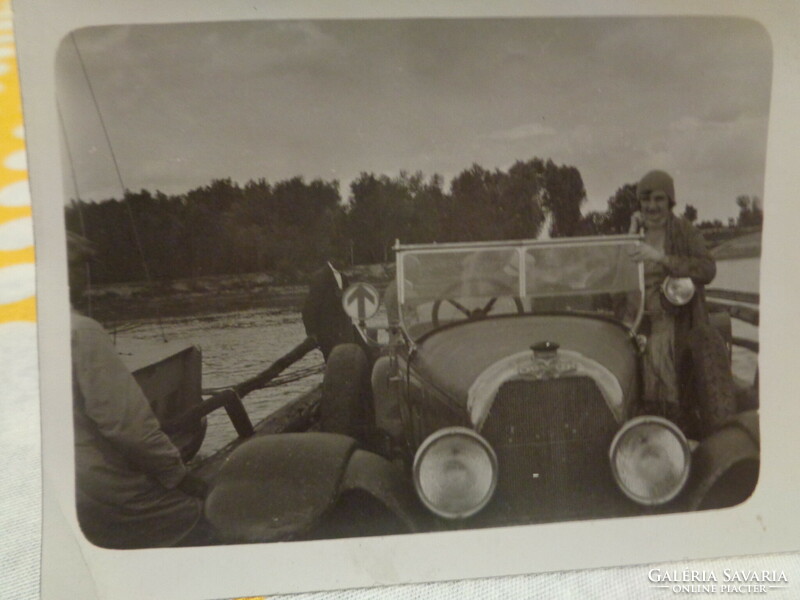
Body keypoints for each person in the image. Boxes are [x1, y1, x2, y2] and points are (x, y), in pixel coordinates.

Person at [68, 232, 210, 548]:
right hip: (105, 493)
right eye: (79, 266)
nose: (85, 276)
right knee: (202, 517)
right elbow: (127, 426)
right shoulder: (82, 332)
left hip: (61, 492)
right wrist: (180, 476)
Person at [628, 170, 735, 437]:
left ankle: (675, 433)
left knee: (668, 380)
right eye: (645, 200)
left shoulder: (684, 230)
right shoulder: (635, 233)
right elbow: (619, 279)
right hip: (638, 322)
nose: (652, 206)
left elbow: (707, 268)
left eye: (659, 199)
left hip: (675, 322)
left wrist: (662, 257)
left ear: (670, 202)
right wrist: (630, 234)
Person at [301, 259, 355, 361]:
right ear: (332, 257)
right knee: (334, 365)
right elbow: (309, 309)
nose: (344, 261)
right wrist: (312, 334)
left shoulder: (343, 278)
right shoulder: (320, 278)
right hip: (328, 336)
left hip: (344, 334)